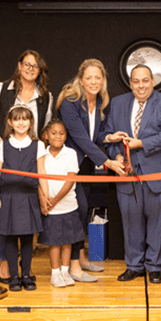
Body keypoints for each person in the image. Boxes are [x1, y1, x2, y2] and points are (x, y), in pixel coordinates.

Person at [104, 64, 161, 284]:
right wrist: (116, 155)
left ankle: (154, 267)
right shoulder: (117, 103)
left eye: (145, 80)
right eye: (136, 81)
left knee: (157, 224)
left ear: (152, 81)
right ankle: (134, 266)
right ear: (130, 83)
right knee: (131, 222)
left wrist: (141, 143)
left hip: (159, 175)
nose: (141, 85)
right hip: (127, 176)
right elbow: (108, 135)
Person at [0, 50, 53, 284]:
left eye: (35, 66)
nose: (30, 68)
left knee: (25, 230)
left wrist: (43, 191)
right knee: (7, 222)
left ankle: (24, 272)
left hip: (30, 164)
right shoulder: (2, 89)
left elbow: (45, 128)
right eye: (27, 64)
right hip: (6, 156)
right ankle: (7, 265)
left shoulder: (46, 96)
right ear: (19, 65)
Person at [56, 59, 126, 283]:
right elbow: (80, 138)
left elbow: (95, 136)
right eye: (89, 78)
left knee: (82, 211)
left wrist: (108, 138)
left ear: (103, 80)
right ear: (81, 80)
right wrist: (107, 162)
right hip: (67, 164)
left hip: (84, 164)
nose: (94, 82)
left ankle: (81, 258)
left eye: (98, 77)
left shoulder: (100, 102)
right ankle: (73, 267)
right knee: (75, 213)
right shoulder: (70, 102)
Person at [0, 106, 43, 292]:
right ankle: (14, 276)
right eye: (17, 119)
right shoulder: (3, 145)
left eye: (25, 119)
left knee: (28, 238)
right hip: (8, 197)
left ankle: (26, 275)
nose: (21, 123)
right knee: (11, 238)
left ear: (30, 122)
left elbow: (42, 174)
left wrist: (43, 198)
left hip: (28, 197)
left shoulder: (38, 145)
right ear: (10, 122)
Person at [38, 119, 86, 288]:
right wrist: (44, 200)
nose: (57, 136)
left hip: (68, 206)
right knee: (54, 242)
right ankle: (55, 273)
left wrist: (56, 199)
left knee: (67, 241)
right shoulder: (41, 155)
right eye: (53, 133)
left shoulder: (71, 153)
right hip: (51, 209)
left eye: (61, 133)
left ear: (66, 136)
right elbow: (39, 179)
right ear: (46, 136)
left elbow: (70, 179)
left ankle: (65, 272)